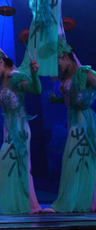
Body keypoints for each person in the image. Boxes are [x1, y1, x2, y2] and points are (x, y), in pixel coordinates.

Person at [0, 47, 42, 214]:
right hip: (9, 128)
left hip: (19, 129)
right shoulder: (2, 82)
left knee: (1, 165)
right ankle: (23, 204)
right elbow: (9, 105)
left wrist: (34, 73)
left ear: (0, 62)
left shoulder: (16, 77)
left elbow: (36, 90)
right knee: (16, 167)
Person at [43, 42, 96, 213]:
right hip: (73, 120)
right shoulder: (64, 78)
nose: (56, 69)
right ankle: (83, 201)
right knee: (78, 161)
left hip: (84, 122)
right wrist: (55, 99)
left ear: (65, 56)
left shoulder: (84, 73)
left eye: (57, 63)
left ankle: (69, 202)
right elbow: (70, 98)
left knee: (77, 159)